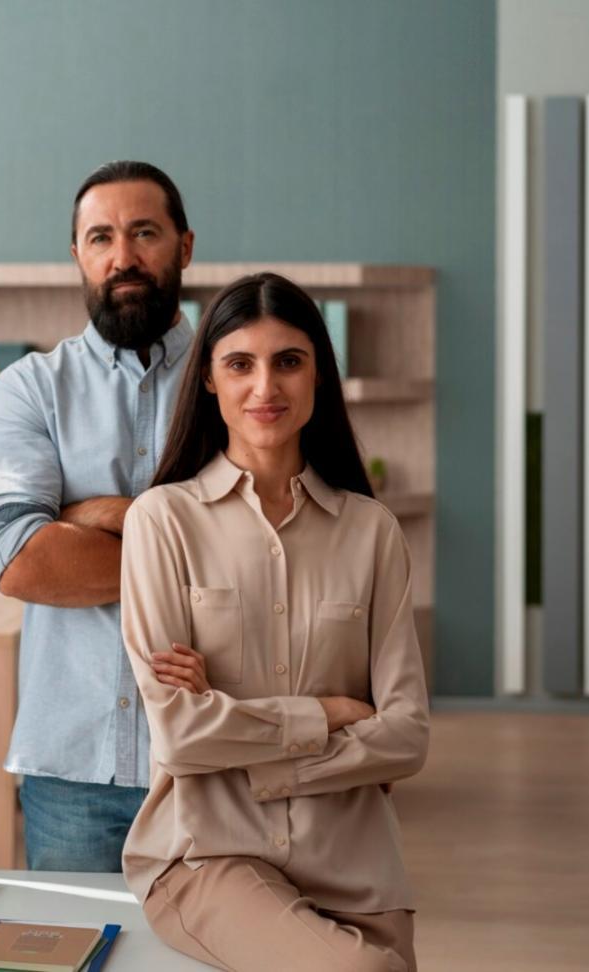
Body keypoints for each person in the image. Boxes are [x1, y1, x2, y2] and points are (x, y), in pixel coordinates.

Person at [119, 272, 429, 971]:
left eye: (288, 361)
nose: (266, 388)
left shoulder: (372, 531)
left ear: (319, 374)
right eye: (240, 364)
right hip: (208, 855)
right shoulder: (162, 522)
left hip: (359, 866)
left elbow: (407, 735)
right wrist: (330, 713)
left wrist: (247, 743)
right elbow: (180, 733)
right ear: (208, 380)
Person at [0, 161, 195, 870]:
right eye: (101, 237)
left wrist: (92, 516)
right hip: (73, 768)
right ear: (77, 255)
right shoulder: (29, 390)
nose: (123, 257)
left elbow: (266, 549)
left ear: (184, 247)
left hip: (214, 754)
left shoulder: (236, 383)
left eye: (144, 233)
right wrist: (187, 546)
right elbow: (18, 561)